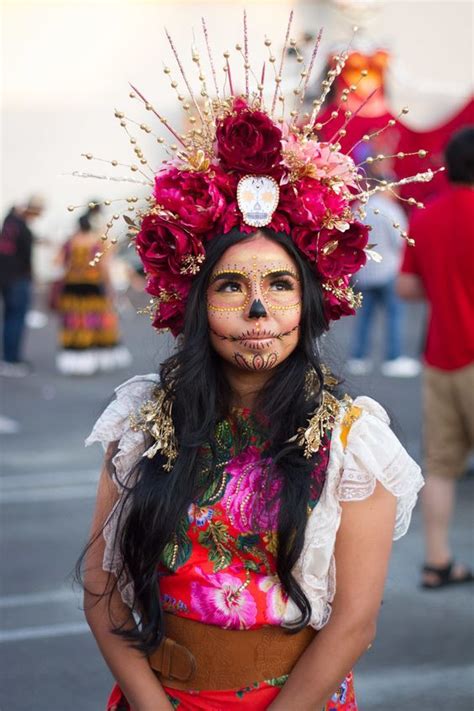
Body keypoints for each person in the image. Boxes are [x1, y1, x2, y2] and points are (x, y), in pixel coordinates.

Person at [78, 22, 428, 710]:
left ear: (310, 303)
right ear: (196, 300)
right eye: (232, 285)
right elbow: (103, 591)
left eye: (280, 285)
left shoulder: (354, 441)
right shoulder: (143, 421)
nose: (258, 309)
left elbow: (354, 622)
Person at [397, 126, 474, 589]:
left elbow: (407, 287)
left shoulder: (426, 217)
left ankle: (437, 561)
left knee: (441, 465)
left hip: (441, 355)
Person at [347, 188, 421, 377]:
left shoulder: (359, 208)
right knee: (394, 316)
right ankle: (393, 357)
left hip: (364, 270)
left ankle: (358, 357)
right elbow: (401, 240)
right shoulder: (390, 210)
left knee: (364, 316)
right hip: (388, 268)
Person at [55, 208, 131, 375]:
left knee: (74, 320)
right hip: (92, 285)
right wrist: (110, 287)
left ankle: (76, 355)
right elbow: (103, 266)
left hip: (72, 285)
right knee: (97, 318)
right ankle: (96, 355)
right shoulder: (96, 242)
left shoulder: (69, 242)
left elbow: (58, 262)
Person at [0, 195, 45, 377]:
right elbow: (27, 258)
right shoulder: (23, 229)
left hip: (6, 278)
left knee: (10, 318)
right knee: (16, 319)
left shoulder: (9, 222)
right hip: (18, 279)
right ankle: (11, 359)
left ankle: (8, 358)